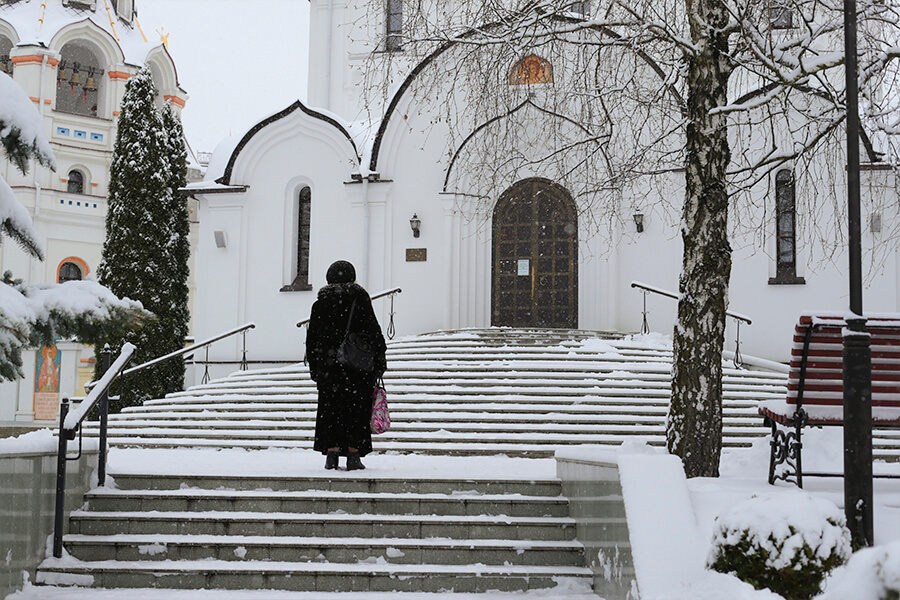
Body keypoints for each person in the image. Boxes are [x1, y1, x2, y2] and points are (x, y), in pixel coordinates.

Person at [306, 260, 387, 471]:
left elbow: (312, 338)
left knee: (329, 410)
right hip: (356, 367)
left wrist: (316, 367)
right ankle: (353, 455)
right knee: (356, 410)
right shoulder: (360, 300)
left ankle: (331, 454)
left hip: (329, 367)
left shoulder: (320, 304)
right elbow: (374, 332)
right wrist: (379, 361)